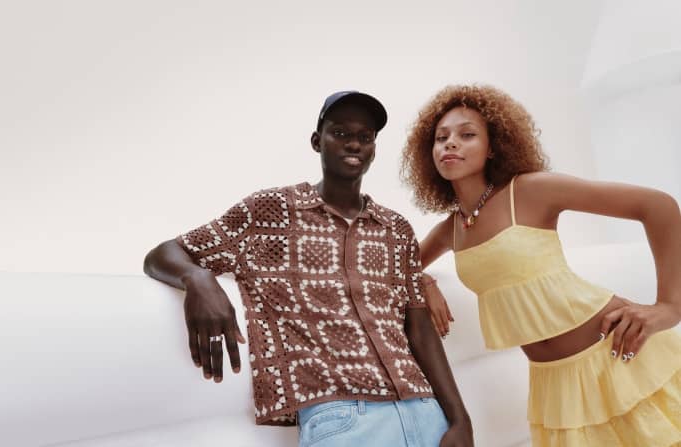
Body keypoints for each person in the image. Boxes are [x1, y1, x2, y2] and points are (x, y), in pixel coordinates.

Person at [144, 91, 474, 446]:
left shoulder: (396, 229)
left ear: (374, 150)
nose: (354, 145)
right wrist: (198, 277)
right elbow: (164, 254)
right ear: (318, 141)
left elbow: (419, 327)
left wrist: (459, 419)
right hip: (343, 418)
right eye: (341, 133)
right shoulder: (270, 212)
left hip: (425, 411)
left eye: (365, 138)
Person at [401, 84, 681, 446]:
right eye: (441, 138)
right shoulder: (450, 230)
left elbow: (658, 206)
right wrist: (424, 281)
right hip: (553, 385)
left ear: (493, 147)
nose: (450, 143)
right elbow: (399, 267)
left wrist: (670, 306)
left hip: (618, 356)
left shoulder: (531, 191)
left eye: (467, 134)